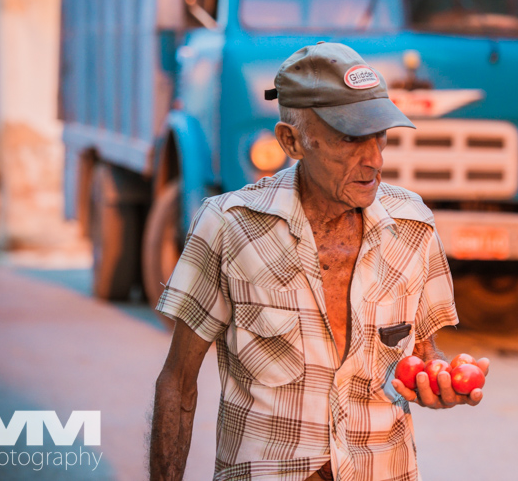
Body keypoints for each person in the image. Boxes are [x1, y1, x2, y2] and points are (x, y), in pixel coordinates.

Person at [149, 42, 489, 481]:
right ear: (292, 141)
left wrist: (436, 383)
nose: (374, 159)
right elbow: (177, 384)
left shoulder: (414, 227)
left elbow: (425, 354)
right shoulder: (228, 226)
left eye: (379, 135)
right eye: (349, 138)